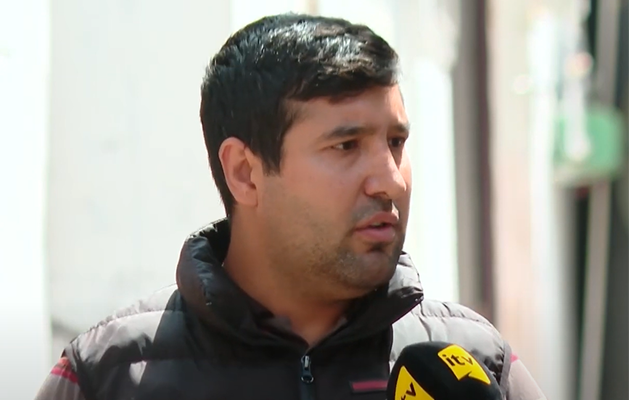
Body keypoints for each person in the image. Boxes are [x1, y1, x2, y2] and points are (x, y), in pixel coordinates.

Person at [34, 13, 546, 400]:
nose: (390, 180)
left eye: (395, 143)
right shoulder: (109, 375)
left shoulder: (475, 364)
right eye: (346, 146)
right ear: (244, 172)